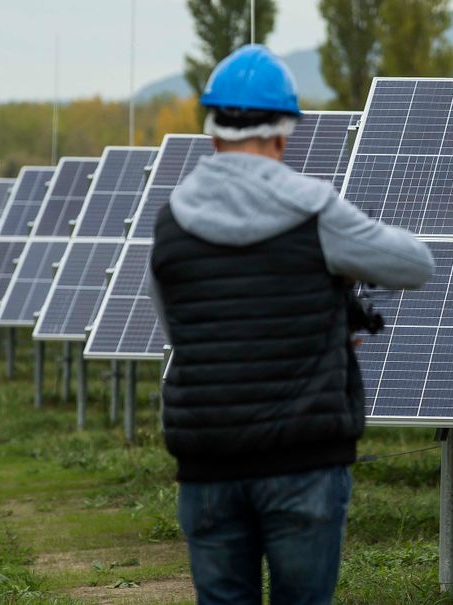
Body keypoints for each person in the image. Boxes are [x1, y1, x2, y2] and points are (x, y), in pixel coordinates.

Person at [149, 44, 434, 605]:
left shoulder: (171, 222)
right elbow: (414, 264)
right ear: (282, 135)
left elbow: (175, 329)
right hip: (303, 463)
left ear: (212, 133)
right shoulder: (315, 210)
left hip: (206, 464)